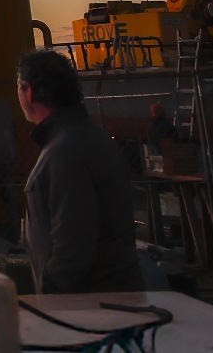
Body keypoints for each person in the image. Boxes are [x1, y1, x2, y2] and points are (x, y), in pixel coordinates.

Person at [16, 49, 142, 294]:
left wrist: (51, 291)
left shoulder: (63, 153)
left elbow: (72, 247)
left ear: (29, 92)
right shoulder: (91, 138)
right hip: (113, 298)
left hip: (88, 306)